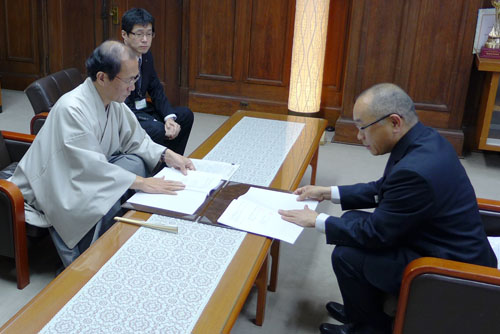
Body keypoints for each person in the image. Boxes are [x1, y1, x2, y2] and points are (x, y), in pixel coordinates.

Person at [279, 83, 497, 334]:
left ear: (394, 122)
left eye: (363, 127)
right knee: (351, 220)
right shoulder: (423, 140)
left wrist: (317, 220)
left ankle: (369, 328)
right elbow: (385, 188)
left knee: (347, 256)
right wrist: (329, 192)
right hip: (433, 240)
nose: (359, 136)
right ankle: (358, 312)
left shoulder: (416, 170)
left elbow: (375, 234)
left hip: (450, 268)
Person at [10, 41, 194, 267]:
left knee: (135, 163)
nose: (132, 88)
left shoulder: (112, 99)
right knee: (123, 184)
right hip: (57, 184)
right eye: (128, 80)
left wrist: (167, 155)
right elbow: (89, 168)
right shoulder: (72, 108)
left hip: (84, 173)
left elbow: (135, 140)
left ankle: (117, 231)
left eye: (135, 79)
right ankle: (88, 256)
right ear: (102, 77)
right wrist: (143, 183)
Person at [121, 7, 193, 155]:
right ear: (124, 35)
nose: (145, 40)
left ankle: (173, 162)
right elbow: (122, 107)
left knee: (185, 115)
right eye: (139, 34)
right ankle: (159, 165)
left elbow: (156, 90)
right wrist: (157, 122)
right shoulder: (117, 60)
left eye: (149, 34)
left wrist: (169, 118)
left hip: (143, 109)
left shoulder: (146, 56)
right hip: (126, 115)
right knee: (158, 128)